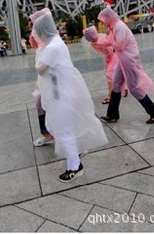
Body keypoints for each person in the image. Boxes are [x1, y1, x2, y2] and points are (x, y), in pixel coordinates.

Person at [32, 12, 108, 182]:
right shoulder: (56, 42)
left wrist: (38, 57)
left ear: (42, 32)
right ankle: (76, 154)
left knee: (63, 129)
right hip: (62, 91)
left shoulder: (51, 47)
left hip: (60, 94)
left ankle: (74, 166)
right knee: (64, 127)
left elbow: (40, 69)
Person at [97, 6, 154, 124]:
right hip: (123, 60)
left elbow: (120, 45)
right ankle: (112, 115)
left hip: (130, 60)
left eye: (103, 20)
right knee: (116, 84)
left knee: (134, 88)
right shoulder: (114, 27)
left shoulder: (119, 27)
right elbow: (112, 43)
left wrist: (109, 41)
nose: (104, 23)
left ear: (108, 18)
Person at [28, 8, 54, 147]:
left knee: (44, 105)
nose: (30, 26)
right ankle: (47, 133)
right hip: (45, 81)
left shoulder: (51, 43)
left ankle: (49, 134)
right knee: (41, 104)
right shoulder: (43, 42)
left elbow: (43, 67)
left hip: (52, 82)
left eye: (32, 23)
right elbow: (33, 45)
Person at [83, 25, 127, 104]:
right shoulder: (97, 40)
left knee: (109, 75)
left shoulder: (99, 42)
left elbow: (109, 48)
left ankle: (110, 95)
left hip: (113, 57)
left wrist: (100, 45)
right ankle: (123, 88)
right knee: (113, 75)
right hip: (111, 57)